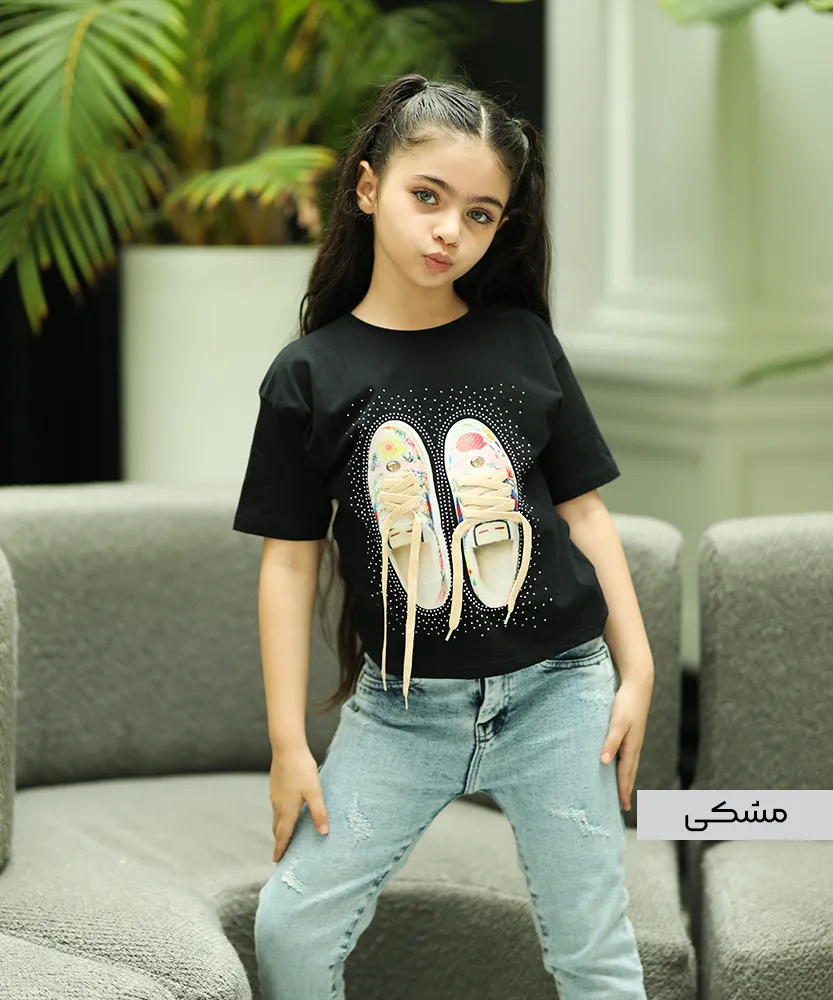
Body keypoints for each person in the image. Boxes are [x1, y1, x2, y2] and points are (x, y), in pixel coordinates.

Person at [233, 72, 654, 1000]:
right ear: (368, 186)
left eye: (479, 214)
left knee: (594, 955)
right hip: (401, 711)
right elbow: (288, 565)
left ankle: (477, 540)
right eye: (427, 197)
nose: (449, 232)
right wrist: (288, 744)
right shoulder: (308, 376)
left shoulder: (523, 343)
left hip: (560, 696)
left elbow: (584, 513)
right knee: (291, 929)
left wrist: (637, 668)